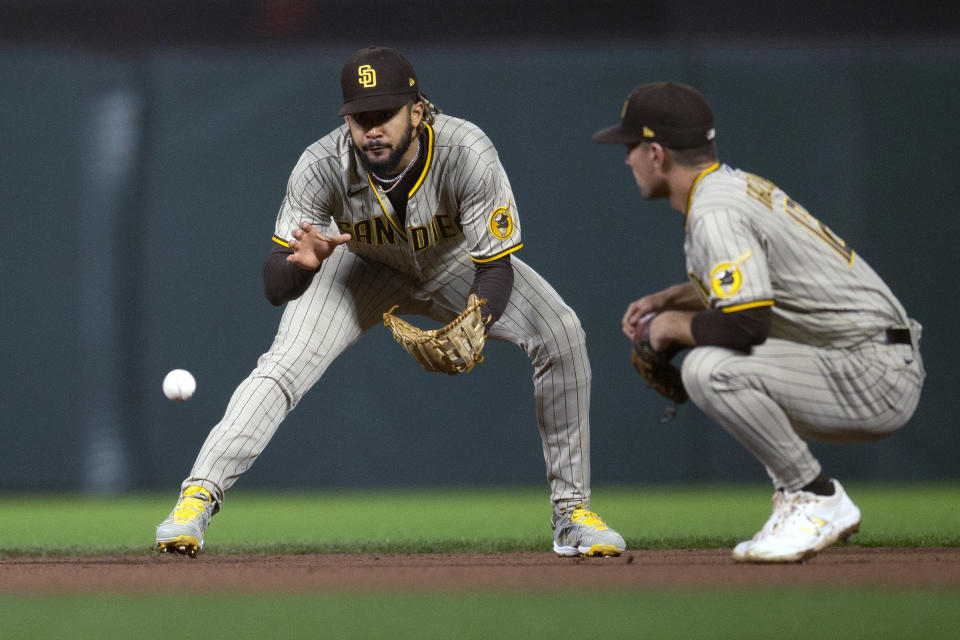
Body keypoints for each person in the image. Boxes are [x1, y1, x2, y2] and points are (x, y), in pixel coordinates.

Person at [155, 46, 625, 558]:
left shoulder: (465, 150)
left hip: (453, 263)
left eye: (384, 114)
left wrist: (476, 318)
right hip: (359, 267)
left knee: (560, 332)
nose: (371, 128)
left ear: (417, 111)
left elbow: (494, 266)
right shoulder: (320, 166)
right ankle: (196, 499)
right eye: (360, 117)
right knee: (284, 364)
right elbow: (273, 286)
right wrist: (300, 265)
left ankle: (571, 513)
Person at [592, 82, 924, 563]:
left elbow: (748, 325)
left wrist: (668, 325)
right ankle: (798, 501)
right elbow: (762, 284)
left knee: (710, 368)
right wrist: (672, 297)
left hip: (874, 372)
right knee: (714, 360)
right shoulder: (729, 186)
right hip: (869, 354)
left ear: (657, 153)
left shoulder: (715, 211)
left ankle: (814, 497)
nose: (626, 160)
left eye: (630, 147)